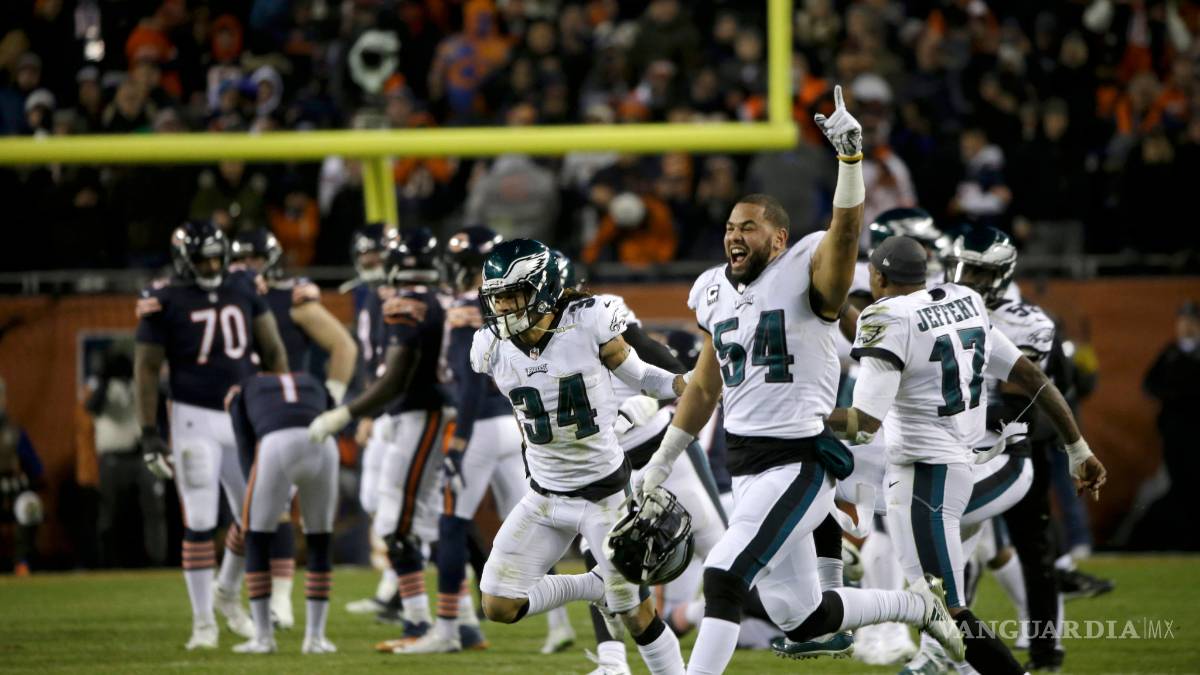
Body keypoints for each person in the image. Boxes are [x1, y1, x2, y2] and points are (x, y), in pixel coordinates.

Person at [636, 86, 963, 674]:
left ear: (780, 239)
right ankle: (919, 605)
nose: (735, 235)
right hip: (745, 462)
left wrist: (849, 162)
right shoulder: (713, 291)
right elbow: (705, 389)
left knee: (723, 577)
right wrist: (661, 464)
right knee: (801, 616)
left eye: (750, 227)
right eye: (730, 227)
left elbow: (844, 233)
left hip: (798, 459)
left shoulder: (805, 272)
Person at [828, 235, 1107, 674]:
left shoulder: (887, 316)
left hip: (926, 476)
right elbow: (1034, 377)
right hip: (950, 464)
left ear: (877, 278)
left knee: (948, 612)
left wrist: (801, 419)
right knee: (934, 607)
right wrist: (1079, 448)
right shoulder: (965, 303)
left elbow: (863, 424)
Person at [462, 238, 689, 675]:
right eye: (497, 296)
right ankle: (595, 586)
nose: (504, 306)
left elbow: (643, 377)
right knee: (498, 604)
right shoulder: (489, 346)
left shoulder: (588, 322)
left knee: (638, 617)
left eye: (515, 294)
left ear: (545, 289)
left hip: (604, 497)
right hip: (543, 496)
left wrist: (688, 383)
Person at [552, 251, 726, 675]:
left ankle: (802, 614)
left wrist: (641, 406)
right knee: (600, 554)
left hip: (661, 450)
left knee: (723, 552)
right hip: (608, 465)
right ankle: (612, 662)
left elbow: (668, 370)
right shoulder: (525, 345)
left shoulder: (600, 315)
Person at [135, 221, 289, 649]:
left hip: (242, 413)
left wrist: (282, 404)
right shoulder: (164, 297)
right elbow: (147, 367)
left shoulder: (244, 286)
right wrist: (148, 432)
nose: (211, 267)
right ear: (184, 261)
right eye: (202, 260)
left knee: (254, 515)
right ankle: (203, 623)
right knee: (201, 519)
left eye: (217, 259)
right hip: (193, 417)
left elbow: (273, 349)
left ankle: (227, 591)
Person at [308, 228, 449, 645]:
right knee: (406, 520)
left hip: (422, 412)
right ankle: (436, 619)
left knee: (405, 524)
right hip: (417, 413)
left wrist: (346, 413)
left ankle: (426, 621)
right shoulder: (439, 299)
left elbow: (395, 378)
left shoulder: (410, 303)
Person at [392, 226, 527, 654]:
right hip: (510, 421)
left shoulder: (467, 309)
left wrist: (459, 439)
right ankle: (568, 620)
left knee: (450, 524)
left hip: (478, 425)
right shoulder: (508, 305)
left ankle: (449, 629)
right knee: (533, 522)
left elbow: (469, 381)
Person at [232, 228, 358, 629]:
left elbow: (344, 345)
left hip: (282, 414)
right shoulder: (224, 296)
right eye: (241, 259)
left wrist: (333, 398)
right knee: (249, 507)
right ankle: (229, 589)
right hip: (238, 408)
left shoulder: (291, 298)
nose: (248, 267)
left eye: (254, 259)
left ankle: (280, 599)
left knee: (277, 507)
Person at [226, 372, 339, 654]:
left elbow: (245, 445)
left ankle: (263, 638)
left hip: (276, 443)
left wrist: (256, 492)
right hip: (323, 444)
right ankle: (315, 638)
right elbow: (333, 413)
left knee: (256, 537)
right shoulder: (312, 380)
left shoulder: (243, 389)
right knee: (320, 539)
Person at [87, 349, 166, 568]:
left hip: (141, 455)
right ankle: (106, 562)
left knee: (154, 509)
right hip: (112, 458)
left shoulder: (137, 384)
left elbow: (161, 399)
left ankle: (157, 560)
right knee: (109, 512)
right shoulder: (103, 387)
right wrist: (106, 379)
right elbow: (92, 407)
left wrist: (141, 375)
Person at [1140, 300, 1200, 551]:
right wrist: (1169, 395)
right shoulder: (1171, 352)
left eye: (1191, 321)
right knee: (1179, 483)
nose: (1185, 326)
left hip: (1196, 430)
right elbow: (1148, 385)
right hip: (1174, 431)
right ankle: (1184, 539)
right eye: (1182, 321)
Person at [0, 376, 44, 576]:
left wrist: (24, 480)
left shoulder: (14, 432)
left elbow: (36, 468)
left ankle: (22, 563)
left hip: (11, 490)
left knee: (30, 504)